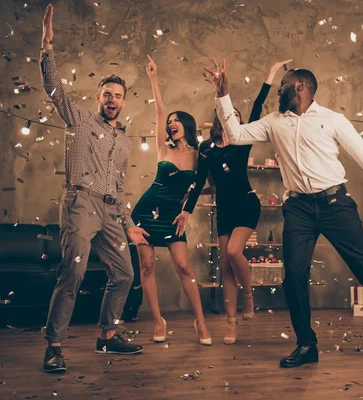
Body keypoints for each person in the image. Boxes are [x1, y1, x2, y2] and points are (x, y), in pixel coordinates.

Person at [204, 58, 363, 371]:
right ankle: (306, 344)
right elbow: (237, 134)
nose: (278, 91)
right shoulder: (274, 121)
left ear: (300, 87)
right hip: (298, 208)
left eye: (283, 86)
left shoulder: (333, 120)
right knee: (293, 275)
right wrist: (223, 95)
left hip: (336, 204)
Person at [40, 4, 146, 373]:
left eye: (118, 95)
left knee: (125, 274)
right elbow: (54, 89)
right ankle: (54, 345)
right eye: (107, 94)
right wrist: (47, 47)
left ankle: (108, 337)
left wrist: (129, 222)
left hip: (111, 210)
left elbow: (118, 187)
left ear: (124, 101)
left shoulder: (126, 142)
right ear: (98, 97)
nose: (112, 100)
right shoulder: (80, 120)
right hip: (80, 203)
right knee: (74, 272)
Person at [177, 60, 292, 345]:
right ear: (221, 117)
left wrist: (270, 74)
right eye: (229, 115)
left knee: (233, 251)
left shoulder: (243, 142)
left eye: (238, 116)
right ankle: (231, 324)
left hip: (247, 204)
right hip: (225, 209)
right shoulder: (206, 148)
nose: (235, 119)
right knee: (225, 266)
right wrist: (186, 211)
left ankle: (249, 295)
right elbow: (199, 181)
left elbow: (257, 107)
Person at [130, 56, 212, 345]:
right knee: (147, 266)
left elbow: (202, 185)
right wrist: (153, 78)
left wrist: (187, 209)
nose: (171, 124)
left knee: (183, 268)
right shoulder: (162, 149)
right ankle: (157, 320)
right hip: (146, 211)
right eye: (170, 122)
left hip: (174, 215)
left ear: (187, 126)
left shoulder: (199, 155)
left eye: (177, 121)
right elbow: (160, 111)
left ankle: (200, 322)